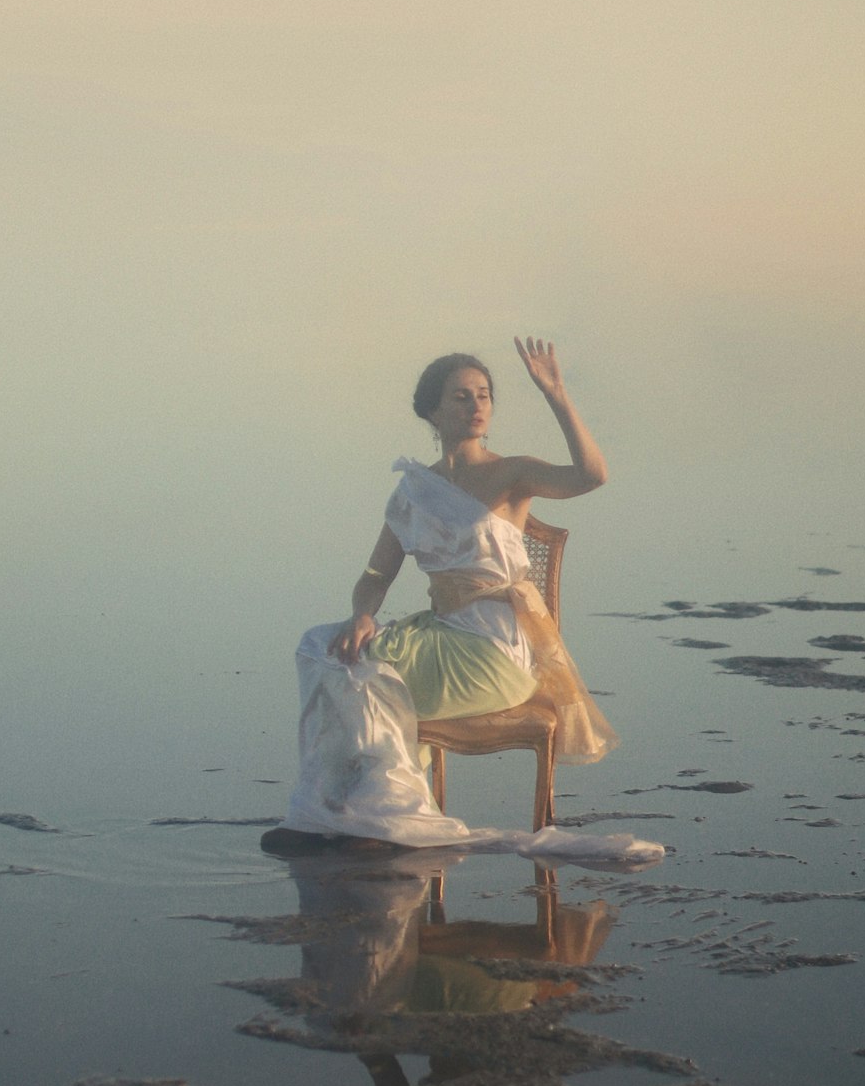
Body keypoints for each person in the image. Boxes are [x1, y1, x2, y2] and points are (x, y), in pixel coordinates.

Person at [264, 340, 663, 863]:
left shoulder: (512, 473)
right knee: (327, 648)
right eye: (460, 398)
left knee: (372, 674)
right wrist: (363, 611)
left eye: (483, 396)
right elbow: (375, 572)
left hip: (494, 648)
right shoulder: (414, 489)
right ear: (431, 410)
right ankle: (345, 811)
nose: (476, 407)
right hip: (440, 632)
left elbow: (592, 477)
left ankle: (371, 815)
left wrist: (557, 394)